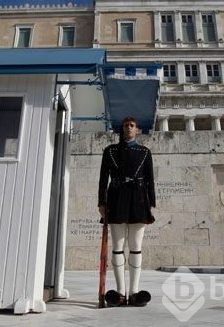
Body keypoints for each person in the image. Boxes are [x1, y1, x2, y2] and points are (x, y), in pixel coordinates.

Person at [98, 116, 156, 307]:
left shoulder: (144, 152)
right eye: (125, 126)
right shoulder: (111, 151)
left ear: (137, 129)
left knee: (136, 245)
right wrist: (101, 202)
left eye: (132, 126)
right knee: (118, 245)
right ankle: (120, 292)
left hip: (138, 199)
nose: (128, 128)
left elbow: (149, 179)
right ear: (121, 129)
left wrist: (151, 202)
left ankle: (134, 291)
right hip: (116, 198)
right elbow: (103, 179)